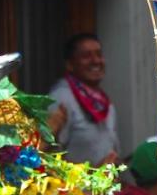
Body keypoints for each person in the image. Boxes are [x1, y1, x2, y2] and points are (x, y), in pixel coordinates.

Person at [49, 33, 120, 166]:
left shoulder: (104, 102)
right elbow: (49, 157)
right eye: (86, 56)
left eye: (99, 54)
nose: (96, 61)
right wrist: (93, 173)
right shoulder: (61, 99)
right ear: (70, 64)